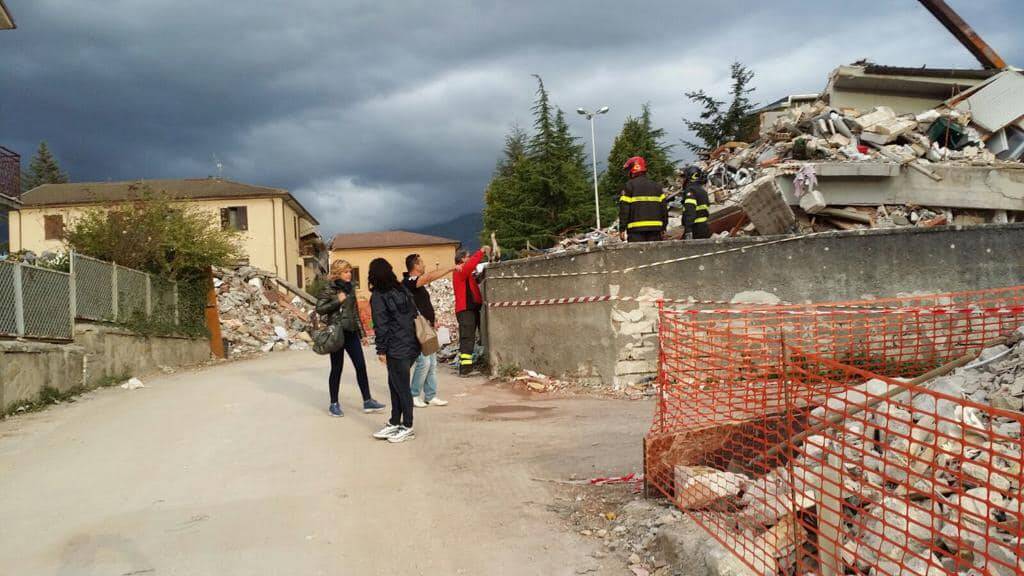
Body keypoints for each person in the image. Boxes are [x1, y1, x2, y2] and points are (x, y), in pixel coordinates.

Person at [315, 259, 386, 417]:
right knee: (337, 368)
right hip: (337, 333)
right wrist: (336, 300)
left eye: (349, 271)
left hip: (351, 332)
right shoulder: (329, 288)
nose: (349, 274)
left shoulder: (350, 288)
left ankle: (367, 401)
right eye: (346, 272)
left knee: (361, 366)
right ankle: (334, 404)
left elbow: (354, 312)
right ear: (337, 273)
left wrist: (362, 334)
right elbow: (319, 309)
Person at [368, 258, 421, 443]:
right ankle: (394, 422)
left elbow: (380, 325)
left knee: (401, 387)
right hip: (412, 344)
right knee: (395, 384)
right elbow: (414, 314)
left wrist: (381, 350)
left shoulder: (378, 296)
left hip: (396, 347)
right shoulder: (401, 289)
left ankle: (407, 426)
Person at [403, 253, 454, 408]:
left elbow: (423, 304)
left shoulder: (418, 285)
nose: (424, 265)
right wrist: (451, 268)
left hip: (428, 328)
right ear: (415, 266)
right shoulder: (409, 281)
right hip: (418, 329)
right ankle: (413, 395)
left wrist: (434, 321)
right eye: (422, 263)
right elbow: (429, 277)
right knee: (423, 362)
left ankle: (430, 395)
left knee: (432, 363)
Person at [453, 245, 491, 376]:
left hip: (469, 309)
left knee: (469, 337)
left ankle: (467, 365)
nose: (470, 259)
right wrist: (481, 251)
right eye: (468, 257)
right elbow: (470, 265)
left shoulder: (467, 275)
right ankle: (465, 368)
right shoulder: (461, 270)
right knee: (467, 337)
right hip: (465, 310)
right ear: (463, 259)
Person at [618, 156, 668, 243]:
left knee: (638, 255)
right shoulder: (657, 186)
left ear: (632, 169)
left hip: (636, 232)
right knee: (654, 255)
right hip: (655, 230)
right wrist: (663, 227)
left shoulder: (629, 186)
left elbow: (624, 209)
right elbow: (664, 209)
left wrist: (622, 228)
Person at [682, 165, 711, 240]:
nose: (683, 180)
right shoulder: (702, 190)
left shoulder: (691, 191)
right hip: (704, 227)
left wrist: (688, 230)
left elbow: (690, 210)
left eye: (684, 177)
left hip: (695, 228)